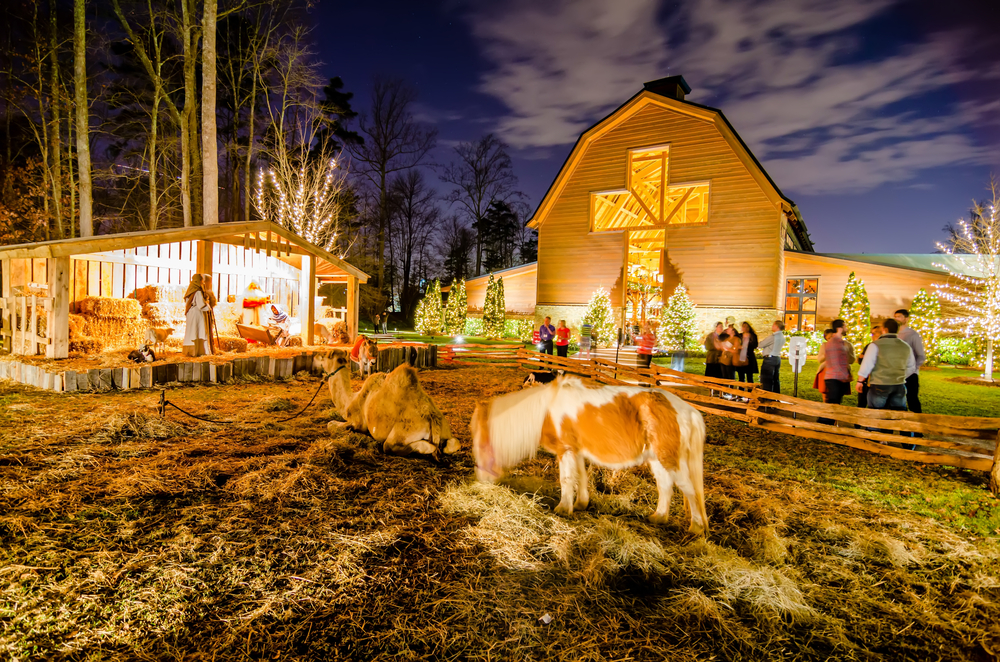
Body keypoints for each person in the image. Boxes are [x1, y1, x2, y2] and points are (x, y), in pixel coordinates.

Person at [856, 318, 916, 413]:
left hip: (879, 384)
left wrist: (860, 381)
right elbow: (911, 367)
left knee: (876, 414)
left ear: (885, 329)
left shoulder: (875, 345)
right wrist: (899, 376)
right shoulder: (906, 346)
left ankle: (876, 428)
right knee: (896, 415)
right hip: (899, 385)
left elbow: (866, 365)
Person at [817, 320, 856, 424]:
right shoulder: (835, 342)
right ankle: (822, 425)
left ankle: (825, 425)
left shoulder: (839, 342)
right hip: (835, 377)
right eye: (845, 326)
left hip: (835, 377)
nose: (846, 328)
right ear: (840, 327)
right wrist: (845, 375)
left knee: (834, 403)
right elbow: (836, 361)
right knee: (833, 404)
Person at [894, 309, 926, 414]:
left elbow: (921, 355)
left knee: (912, 400)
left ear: (906, 318)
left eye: (899, 316)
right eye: (895, 317)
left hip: (910, 374)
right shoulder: (894, 334)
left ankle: (917, 427)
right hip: (896, 373)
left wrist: (913, 369)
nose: (896, 319)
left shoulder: (913, 334)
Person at [182, 273, 216, 357]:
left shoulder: (190, 290)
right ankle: (200, 351)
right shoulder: (198, 291)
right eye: (201, 280)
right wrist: (208, 305)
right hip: (197, 314)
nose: (203, 282)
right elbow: (201, 304)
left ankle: (190, 351)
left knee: (191, 331)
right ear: (199, 281)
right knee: (199, 331)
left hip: (191, 313)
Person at [857, 324, 883, 409]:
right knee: (862, 403)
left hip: (876, 380)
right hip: (867, 379)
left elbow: (865, 360)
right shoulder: (869, 345)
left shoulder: (879, 346)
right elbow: (860, 360)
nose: (872, 336)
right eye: (871, 333)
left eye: (874, 333)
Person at [758, 320, 785, 393]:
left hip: (769, 358)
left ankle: (767, 397)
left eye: (773, 325)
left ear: (777, 327)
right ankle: (776, 395)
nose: (772, 327)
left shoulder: (773, 336)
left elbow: (761, 344)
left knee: (766, 379)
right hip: (777, 358)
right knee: (775, 379)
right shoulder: (782, 336)